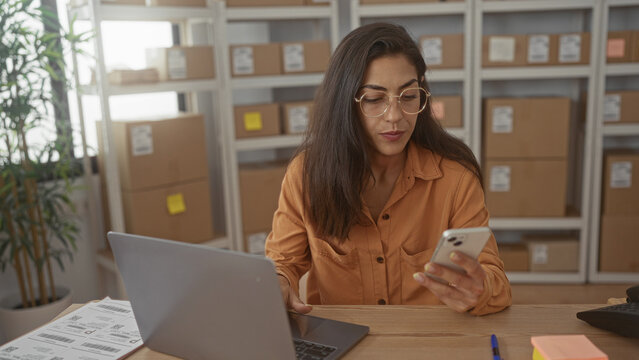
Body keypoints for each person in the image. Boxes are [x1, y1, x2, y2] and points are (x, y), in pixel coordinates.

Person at [265, 22, 511, 316]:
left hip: (428, 341)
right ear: (345, 102)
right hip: (342, 341)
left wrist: (481, 290)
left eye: (408, 97)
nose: (395, 117)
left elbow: (496, 282)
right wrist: (278, 282)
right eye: (374, 99)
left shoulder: (455, 179)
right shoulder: (306, 174)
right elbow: (284, 261)